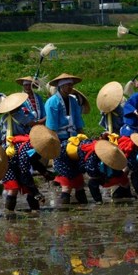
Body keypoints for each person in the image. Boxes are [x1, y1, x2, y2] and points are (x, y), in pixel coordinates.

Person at [44, 73, 88, 204]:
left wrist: (84, 139)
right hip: (60, 140)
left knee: (78, 171)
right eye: (68, 85)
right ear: (61, 86)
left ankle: (80, 198)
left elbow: (78, 122)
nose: (70, 87)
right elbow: (51, 128)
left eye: (71, 85)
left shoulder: (73, 101)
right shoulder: (52, 102)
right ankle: (65, 198)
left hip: (74, 139)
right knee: (65, 174)